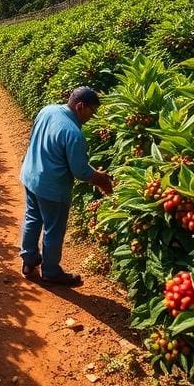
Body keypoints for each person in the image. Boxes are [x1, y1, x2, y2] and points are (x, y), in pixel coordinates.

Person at [19, 86, 113, 286]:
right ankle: (51, 272)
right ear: (80, 106)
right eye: (92, 111)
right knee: (53, 229)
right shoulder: (73, 133)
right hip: (52, 188)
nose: (92, 116)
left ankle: (28, 261)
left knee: (32, 218)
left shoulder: (47, 110)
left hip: (30, 175)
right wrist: (101, 178)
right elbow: (81, 172)